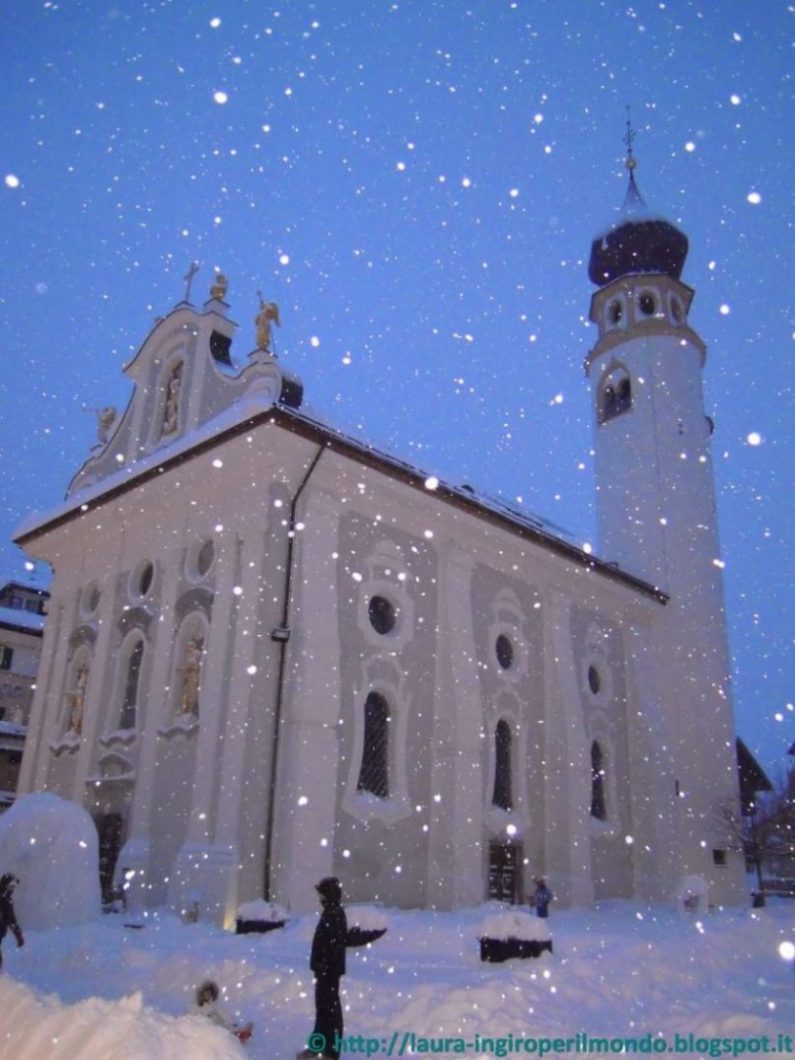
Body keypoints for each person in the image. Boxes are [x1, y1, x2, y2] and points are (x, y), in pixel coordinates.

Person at [298, 877, 349, 1060]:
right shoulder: (331, 912)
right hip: (325, 971)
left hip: (328, 972)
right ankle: (319, 1047)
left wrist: (324, 966)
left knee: (329, 1013)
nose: (319, 898)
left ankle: (330, 1052)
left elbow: (335, 944)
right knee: (324, 1012)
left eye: (322, 894)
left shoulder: (334, 914)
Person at [0, 874, 24, 970]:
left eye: (14, 886)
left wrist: (18, 935)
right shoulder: (4, 899)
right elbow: (11, 919)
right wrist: (18, 935)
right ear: (5, 885)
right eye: (11, 886)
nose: (13, 889)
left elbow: (11, 919)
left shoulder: (6, 899)